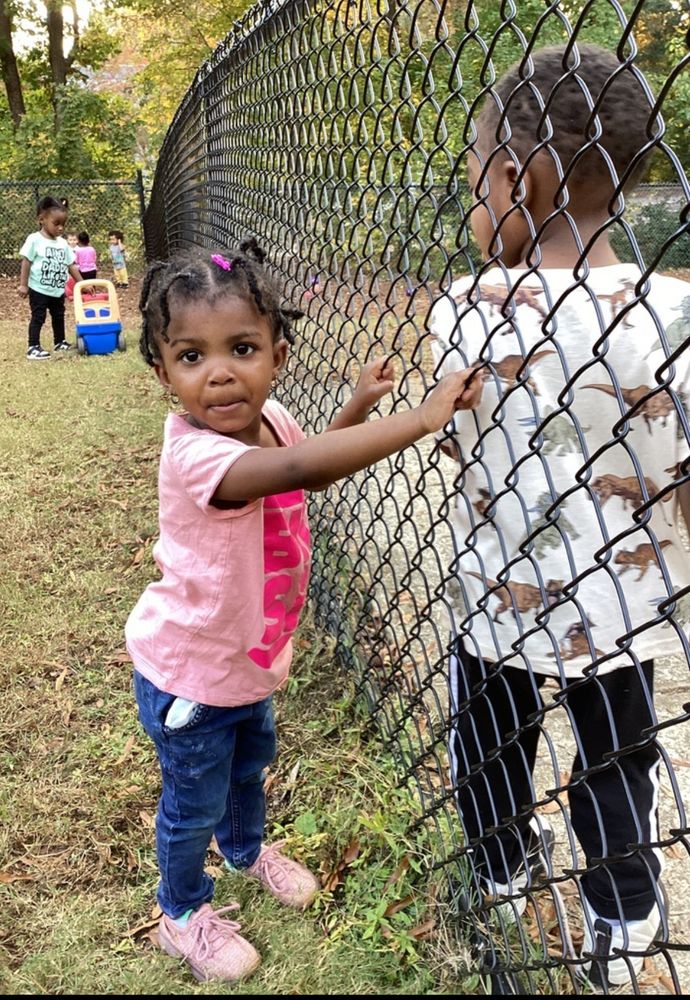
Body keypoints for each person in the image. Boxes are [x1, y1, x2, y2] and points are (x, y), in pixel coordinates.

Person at [126, 239, 481, 983]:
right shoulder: (195, 456)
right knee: (192, 803)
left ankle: (248, 849)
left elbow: (308, 455)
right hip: (192, 674)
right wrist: (419, 419)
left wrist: (357, 403)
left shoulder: (274, 419)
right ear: (163, 374)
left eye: (242, 348)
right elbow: (292, 470)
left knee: (250, 770)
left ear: (278, 357)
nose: (219, 372)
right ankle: (181, 911)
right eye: (191, 357)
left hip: (248, 662)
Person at [429, 43, 690, 988]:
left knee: (490, 740)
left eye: (472, 181)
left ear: (514, 176)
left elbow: (455, 445)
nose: (471, 205)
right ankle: (624, 920)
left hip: (494, 596)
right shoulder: (671, 312)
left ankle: (498, 869)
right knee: (618, 758)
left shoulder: (463, 310)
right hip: (619, 613)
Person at [18, 196, 82, 359]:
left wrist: (82, 283)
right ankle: (33, 347)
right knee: (38, 317)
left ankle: (59, 342)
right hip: (38, 288)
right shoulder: (35, 240)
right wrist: (23, 285)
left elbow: (71, 265)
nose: (60, 228)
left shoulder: (62, 243)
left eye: (63, 224)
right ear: (42, 220)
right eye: (56, 224)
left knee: (59, 315)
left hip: (57, 289)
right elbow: (26, 261)